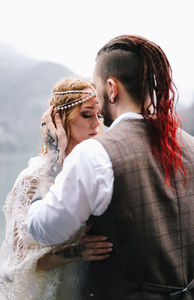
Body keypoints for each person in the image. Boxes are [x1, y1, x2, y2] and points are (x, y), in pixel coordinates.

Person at [28, 35, 194, 299]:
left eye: (96, 88)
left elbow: (44, 229)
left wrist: (53, 157)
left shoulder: (95, 155)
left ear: (111, 87)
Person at [0, 77, 113, 300]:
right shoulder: (32, 180)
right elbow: (15, 267)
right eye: (87, 114)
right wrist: (74, 252)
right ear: (60, 120)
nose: (96, 124)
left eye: (99, 116)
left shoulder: (101, 167)